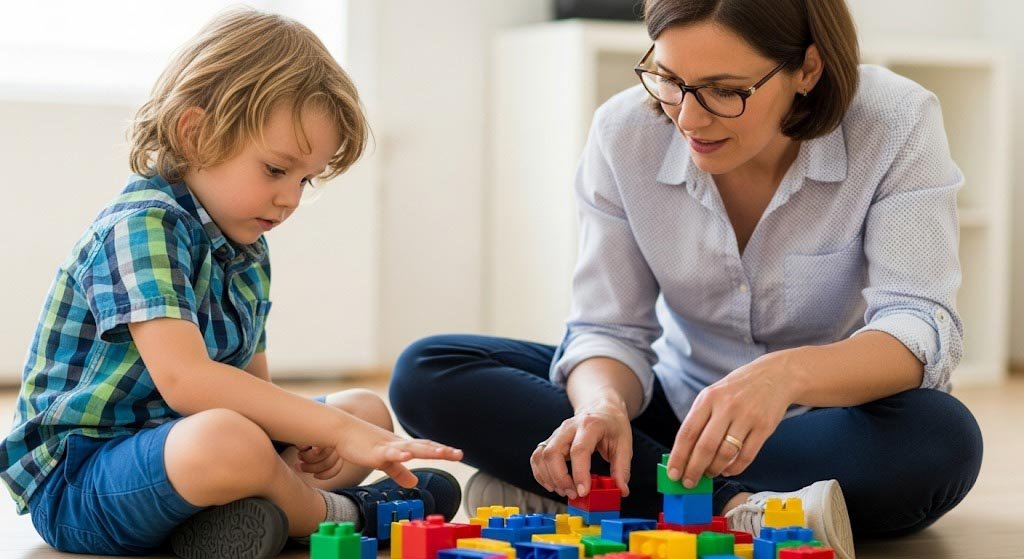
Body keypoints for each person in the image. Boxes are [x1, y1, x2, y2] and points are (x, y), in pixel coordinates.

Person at [390, 1, 983, 558]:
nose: (689, 118)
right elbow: (608, 327)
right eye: (670, 79)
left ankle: (603, 493)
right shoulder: (624, 131)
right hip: (670, 405)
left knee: (938, 441)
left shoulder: (895, 119)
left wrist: (784, 377)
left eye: (726, 91)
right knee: (428, 371)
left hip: (820, 424)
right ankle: (737, 508)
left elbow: (918, 323)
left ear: (808, 67)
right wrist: (599, 408)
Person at [0, 8, 463, 558]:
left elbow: (255, 391)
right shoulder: (143, 225)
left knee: (362, 408)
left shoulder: (246, 244)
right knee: (233, 438)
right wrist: (330, 431)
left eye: (305, 179)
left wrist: (324, 432)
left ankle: (242, 516)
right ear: (194, 133)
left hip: (186, 449)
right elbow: (188, 382)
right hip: (83, 482)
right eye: (275, 170)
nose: (290, 198)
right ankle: (342, 516)